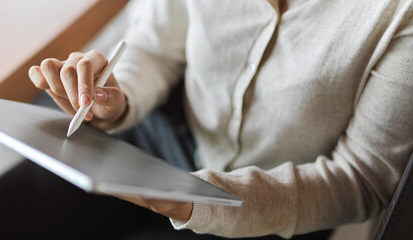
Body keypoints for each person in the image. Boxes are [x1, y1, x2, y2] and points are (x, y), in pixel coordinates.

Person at [26, 0, 413, 239]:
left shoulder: (400, 14)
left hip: (267, 213)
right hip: (156, 138)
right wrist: (115, 97)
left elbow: (362, 180)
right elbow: (157, 47)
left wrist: (191, 201)